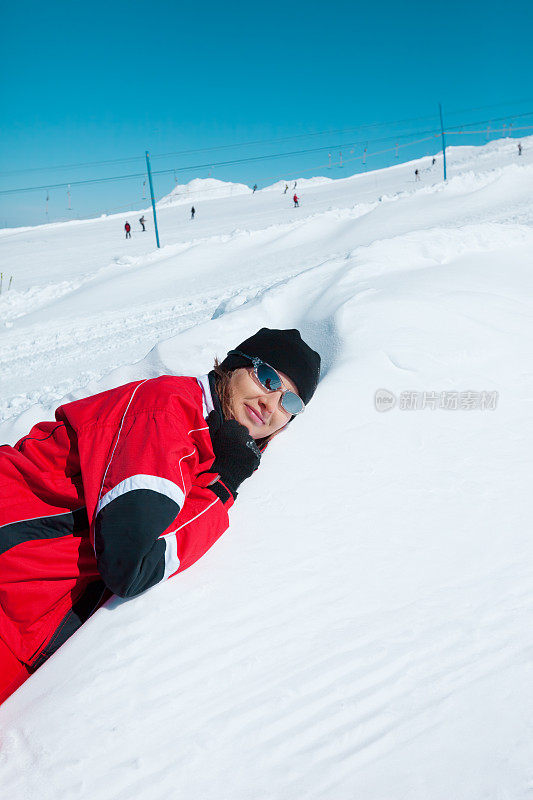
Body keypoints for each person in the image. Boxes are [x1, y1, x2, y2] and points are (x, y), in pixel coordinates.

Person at [0, 328, 321, 704]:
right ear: (233, 366)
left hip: (23, 622)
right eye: (266, 378)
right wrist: (223, 490)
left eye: (291, 403)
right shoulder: (168, 411)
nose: (271, 402)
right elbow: (129, 564)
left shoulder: (207, 443)